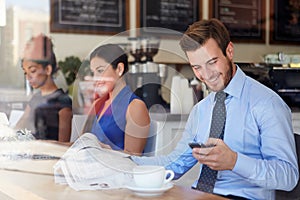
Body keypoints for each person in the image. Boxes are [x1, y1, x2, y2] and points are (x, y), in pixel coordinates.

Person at [131, 19, 299, 199]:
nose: (206, 74)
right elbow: (175, 164)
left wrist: (234, 161)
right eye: (196, 67)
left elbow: (287, 177)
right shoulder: (201, 110)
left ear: (229, 51)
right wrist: (124, 161)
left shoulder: (267, 104)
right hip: (200, 194)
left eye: (212, 62)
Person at [81, 43, 150, 156]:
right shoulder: (98, 104)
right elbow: (80, 144)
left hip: (115, 171)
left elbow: (133, 157)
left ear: (119, 69)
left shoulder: (135, 106)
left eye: (100, 70)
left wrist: (103, 150)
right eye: (93, 73)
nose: (95, 78)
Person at [16, 34, 73, 142]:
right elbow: (19, 126)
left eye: (32, 71)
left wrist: (39, 146)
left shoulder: (63, 102)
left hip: (51, 156)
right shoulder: (35, 99)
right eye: (25, 72)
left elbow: (63, 144)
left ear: (47, 69)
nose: (28, 77)